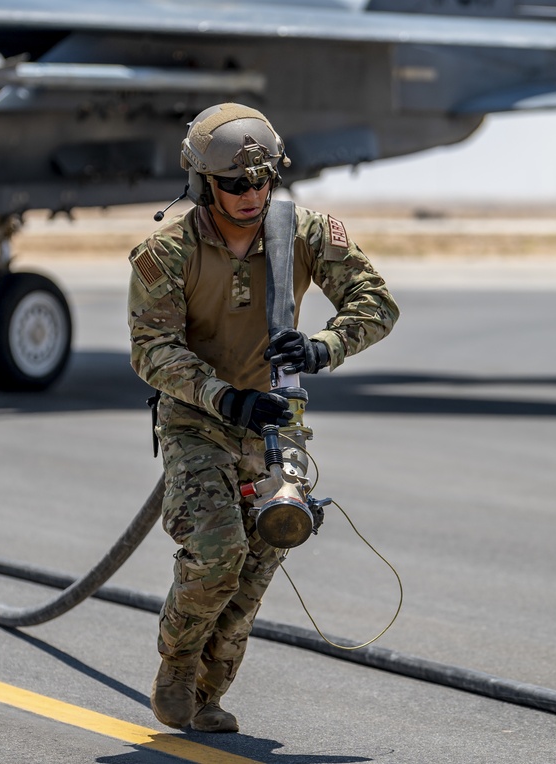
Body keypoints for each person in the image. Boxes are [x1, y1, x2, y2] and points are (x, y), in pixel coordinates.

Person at [127, 102, 399, 733]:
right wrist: (225, 397)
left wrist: (322, 347)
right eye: (234, 183)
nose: (252, 193)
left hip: (275, 420)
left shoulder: (303, 233)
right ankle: (176, 668)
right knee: (218, 551)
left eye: (262, 179)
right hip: (200, 417)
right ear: (201, 183)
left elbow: (376, 303)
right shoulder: (166, 253)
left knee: (264, 552)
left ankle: (209, 691)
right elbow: (151, 349)